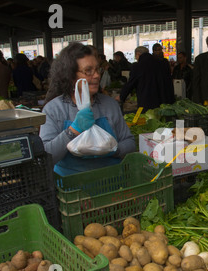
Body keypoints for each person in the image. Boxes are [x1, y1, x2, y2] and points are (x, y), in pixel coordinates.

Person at [40, 42, 136, 176]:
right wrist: (73, 131)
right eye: (88, 71)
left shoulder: (109, 105)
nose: (96, 75)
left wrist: (113, 149)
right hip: (72, 188)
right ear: (71, 75)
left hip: (112, 182)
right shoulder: (54, 109)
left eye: (97, 69)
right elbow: (46, 158)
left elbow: (130, 143)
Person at [118, 46, 175, 111]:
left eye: (136, 57)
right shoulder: (162, 63)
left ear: (138, 54)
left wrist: (121, 96)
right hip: (164, 100)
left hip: (147, 102)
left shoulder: (137, 66)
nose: (136, 59)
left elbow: (131, 83)